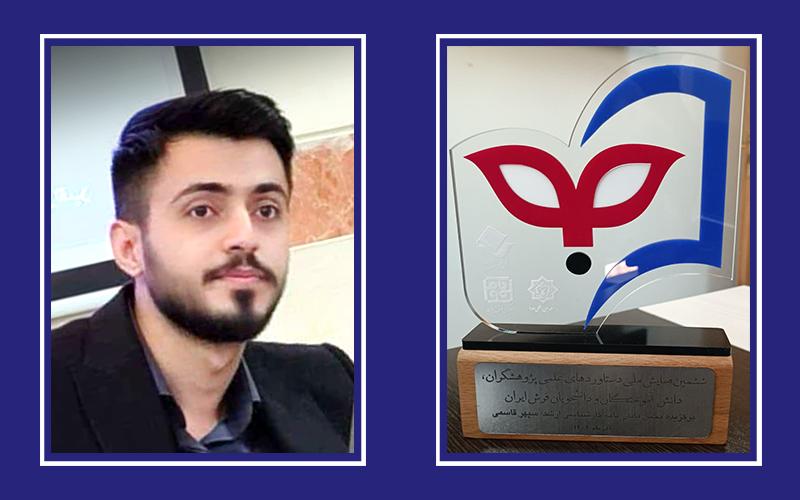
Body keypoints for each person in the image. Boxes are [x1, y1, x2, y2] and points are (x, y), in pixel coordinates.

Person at [51, 89, 353, 453]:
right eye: (202, 210)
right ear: (129, 248)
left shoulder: (329, 381)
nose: (246, 236)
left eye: (266, 210)